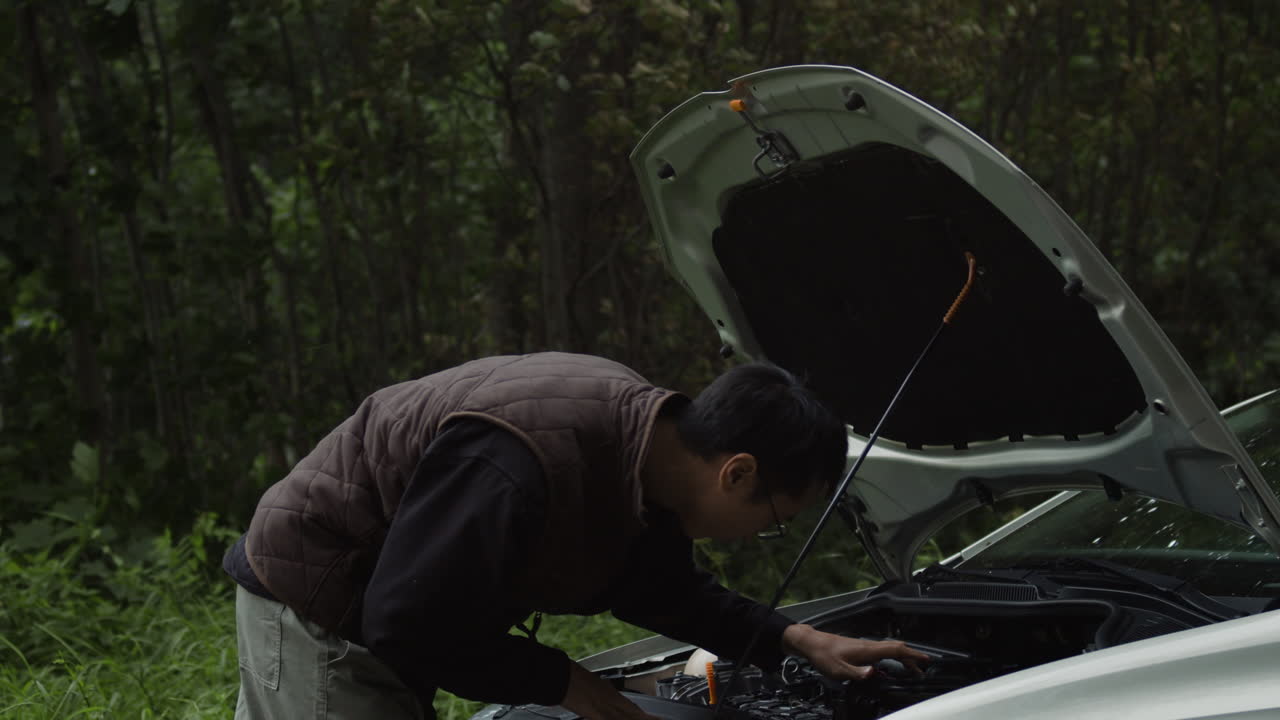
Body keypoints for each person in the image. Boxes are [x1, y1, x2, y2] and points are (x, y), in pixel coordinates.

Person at [223, 352, 928, 719]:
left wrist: (792, 638)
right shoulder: (524, 460)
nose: (757, 537)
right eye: (774, 523)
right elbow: (406, 622)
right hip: (320, 607)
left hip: (380, 610)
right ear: (737, 473)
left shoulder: (643, 456)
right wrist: (566, 683)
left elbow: (661, 589)